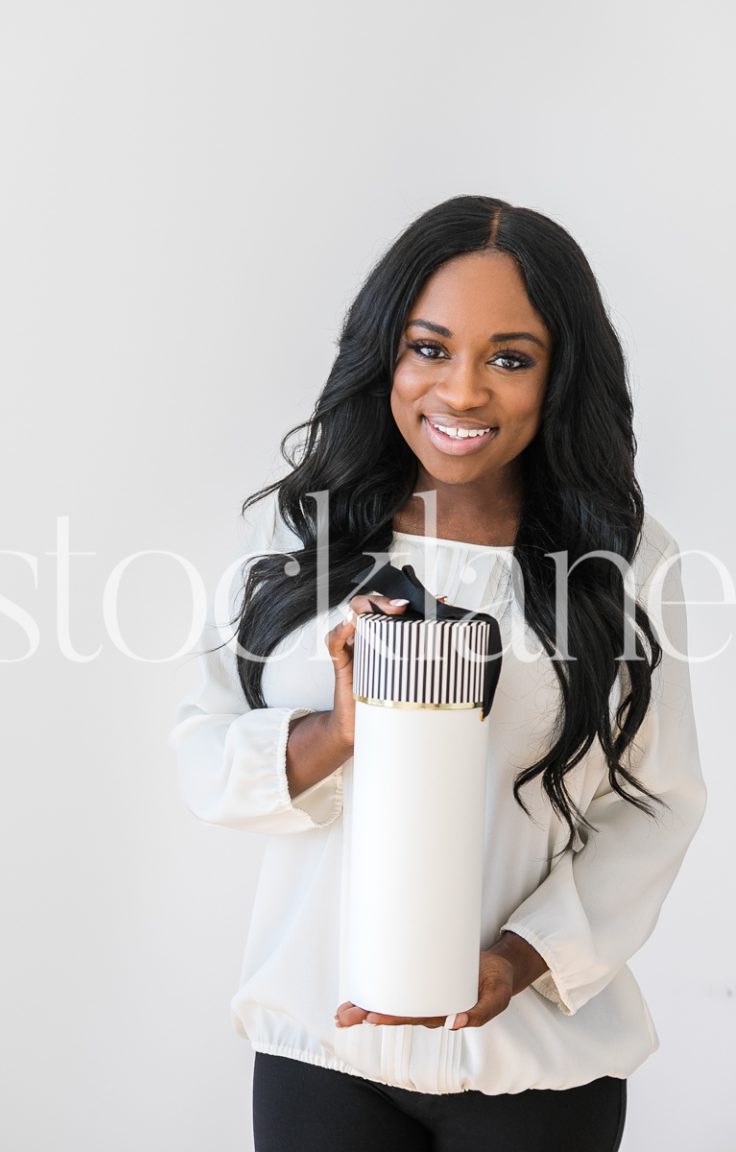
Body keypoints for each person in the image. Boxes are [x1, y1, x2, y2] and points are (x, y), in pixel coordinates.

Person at [169, 195, 706, 1151]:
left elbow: (657, 802)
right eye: (430, 348)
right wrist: (339, 728)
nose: (461, 392)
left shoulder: (621, 562)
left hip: (532, 1063)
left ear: (558, 376)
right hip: (321, 1051)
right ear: (387, 357)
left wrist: (520, 958)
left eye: (510, 358)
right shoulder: (298, 539)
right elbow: (205, 754)